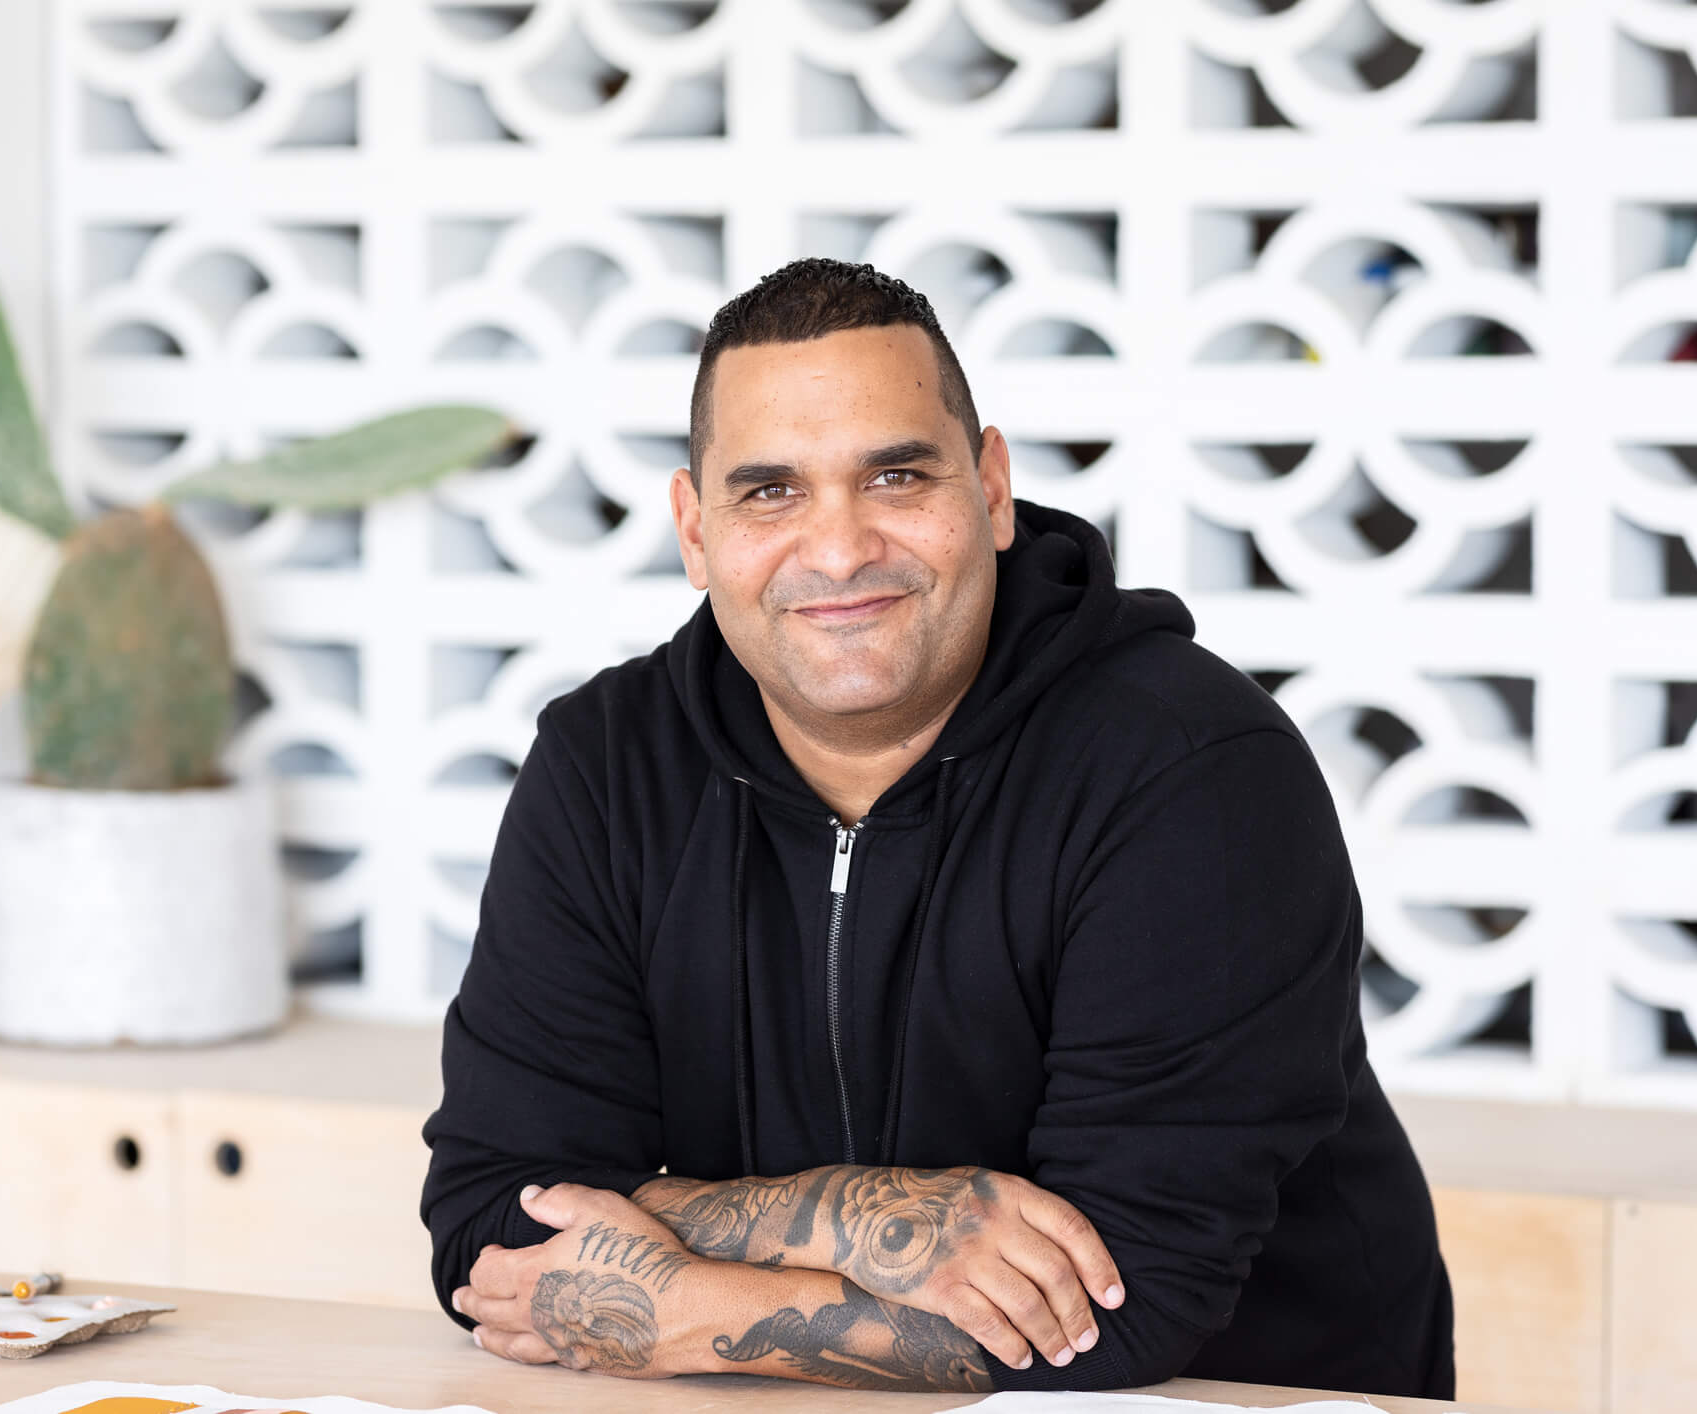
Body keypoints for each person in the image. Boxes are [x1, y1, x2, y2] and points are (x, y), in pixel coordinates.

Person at [419, 257, 1454, 1396]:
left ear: (993, 489)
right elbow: (492, 1229)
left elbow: (1127, 1311)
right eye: (770, 491)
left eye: (896, 476)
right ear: (694, 527)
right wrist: (879, 1223)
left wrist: (675, 1293)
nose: (840, 548)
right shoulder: (608, 767)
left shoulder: (1190, 770)